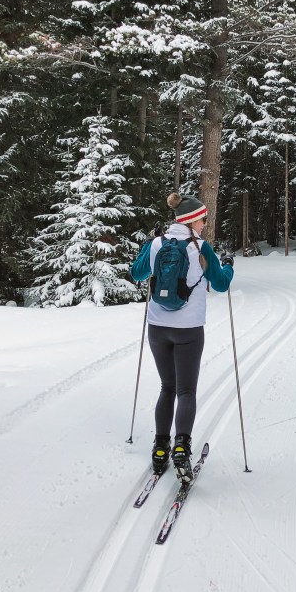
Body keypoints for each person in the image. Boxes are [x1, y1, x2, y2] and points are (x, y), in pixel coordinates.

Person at [130, 192, 234, 483]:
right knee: (186, 391)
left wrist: (147, 246)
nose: (204, 224)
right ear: (191, 221)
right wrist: (227, 264)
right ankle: (181, 448)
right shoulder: (202, 248)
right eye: (202, 219)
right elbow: (222, 284)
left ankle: (160, 448)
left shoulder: (156, 244)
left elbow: (137, 273)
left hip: (157, 327)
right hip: (189, 329)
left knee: (167, 387)